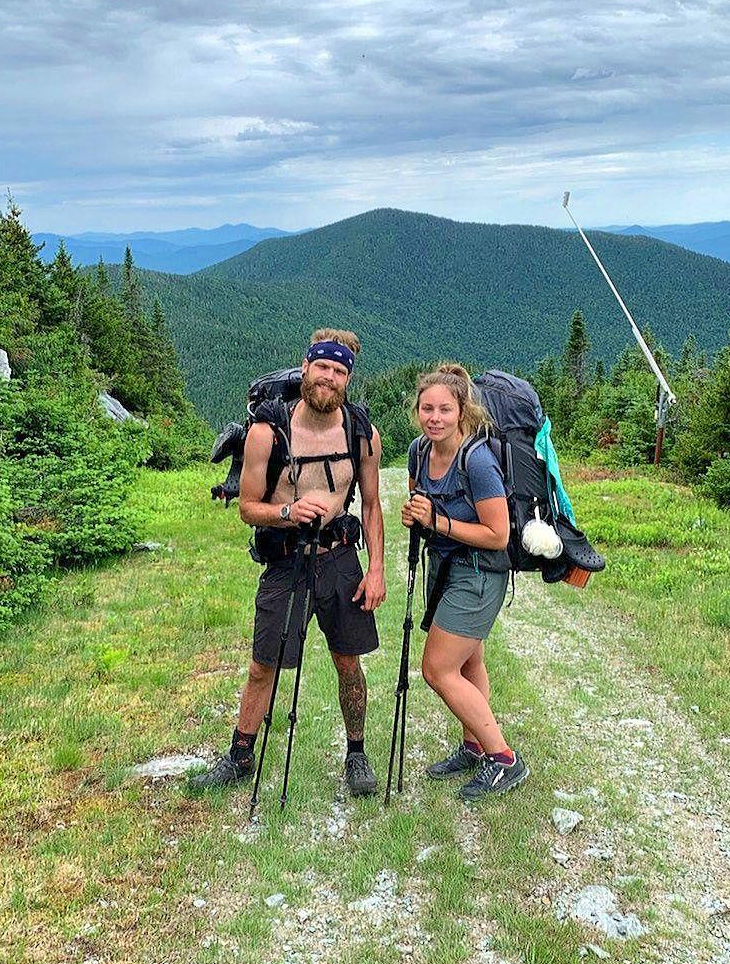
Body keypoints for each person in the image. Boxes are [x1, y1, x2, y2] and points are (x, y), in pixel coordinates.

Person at [192, 329, 387, 796]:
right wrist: (287, 512)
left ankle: (356, 755)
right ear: (305, 368)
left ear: (348, 380)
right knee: (264, 665)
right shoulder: (267, 434)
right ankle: (240, 755)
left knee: (348, 662)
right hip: (286, 561)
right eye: (323, 367)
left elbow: (374, 504)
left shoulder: (361, 433)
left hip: (340, 561)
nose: (330, 378)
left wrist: (377, 569)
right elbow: (247, 507)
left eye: (340, 371)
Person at [401, 363, 528, 801]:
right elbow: (424, 508)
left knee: (438, 670)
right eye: (427, 409)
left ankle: (504, 758)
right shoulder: (420, 451)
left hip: (478, 573)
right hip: (445, 569)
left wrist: (438, 521)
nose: (434, 417)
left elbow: (498, 535)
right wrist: (419, 520)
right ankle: (474, 747)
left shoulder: (477, 461)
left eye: (444, 409)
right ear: (417, 410)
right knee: (469, 664)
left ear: (462, 411)